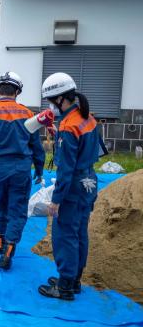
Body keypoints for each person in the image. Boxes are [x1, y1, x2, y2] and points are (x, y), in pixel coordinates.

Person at [0, 71, 45, 270]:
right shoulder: (28, 114)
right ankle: (9, 250)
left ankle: (0, 243)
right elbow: (36, 146)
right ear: (17, 91)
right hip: (21, 169)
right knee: (18, 211)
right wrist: (39, 169)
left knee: (0, 207)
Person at [38, 73, 100, 301]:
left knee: (65, 236)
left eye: (51, 101)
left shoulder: (68, 126)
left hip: (73, 187)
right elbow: (95, 150)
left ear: (61, 98)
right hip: (89, 182)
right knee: (79, 233)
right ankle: (74, 280)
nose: (51, 106)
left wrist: (56, 200)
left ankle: (64, 286)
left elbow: (65, 169)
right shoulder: (88, 118)